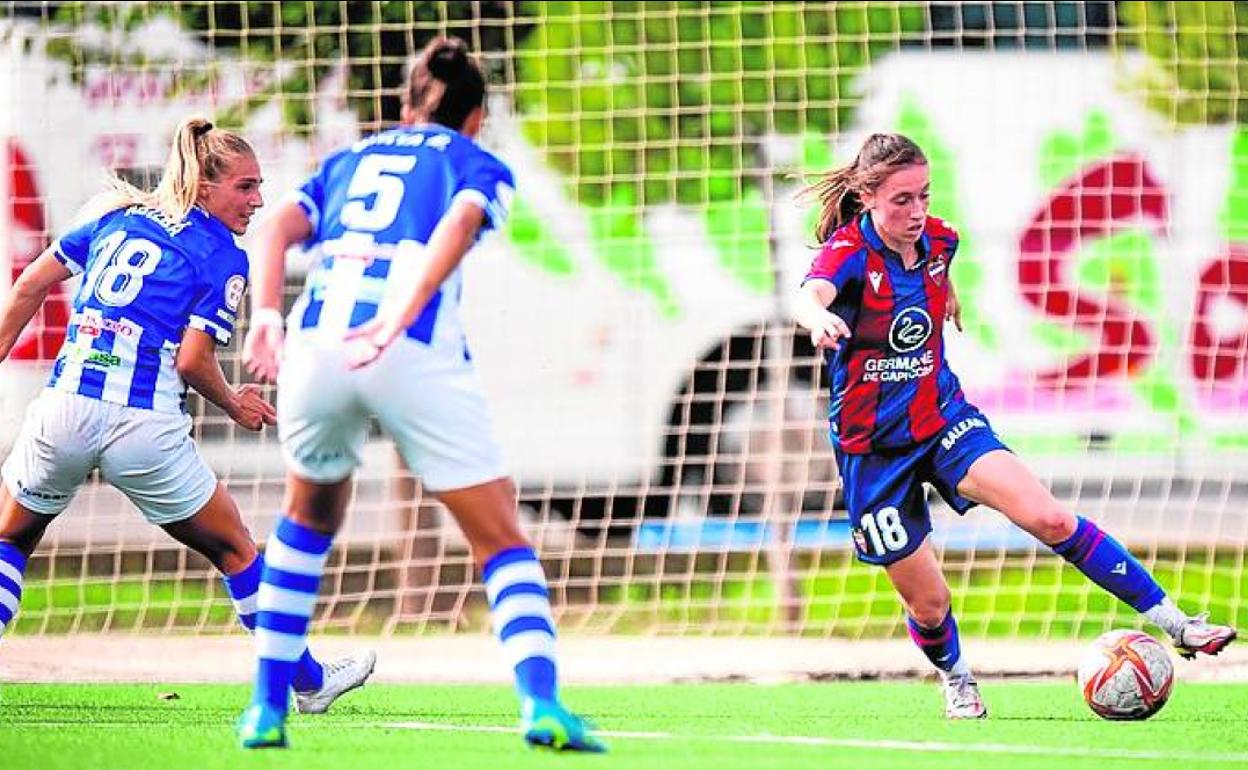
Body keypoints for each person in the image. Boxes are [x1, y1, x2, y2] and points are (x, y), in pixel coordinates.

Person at [236, 37, 604, 752]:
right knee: (499, 536)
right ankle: (543, 705)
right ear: (477, 117)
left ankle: (265, 709)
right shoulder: (475, 161)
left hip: (316, 347)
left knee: (305, 522)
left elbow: (277, 226)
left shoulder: (349, 161)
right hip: (407, 346)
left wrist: (268, 316)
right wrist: (402, 315)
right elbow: (461, 223)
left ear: (404, 104)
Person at [792, 132, 1238, 719]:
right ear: (868, 196)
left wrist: (944, 295)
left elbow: (930, 271)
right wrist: (818, 318)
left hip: (942, 419)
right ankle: (957, 676)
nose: (917, 212)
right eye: (902, 200)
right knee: (929, 604)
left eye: (924, 196)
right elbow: (810, 293)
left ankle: (1176, 624)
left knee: (1047, 514)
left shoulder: (939, 241)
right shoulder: (848, 254)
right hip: (871, 450)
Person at [0, 117, 375, 714]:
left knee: (12, 538)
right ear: (204, 185)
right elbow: (194, 360)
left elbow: (27, 287)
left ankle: (308, 680)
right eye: (246, 188)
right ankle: (307, 682)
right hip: (143, 430)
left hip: (64, 409)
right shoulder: (223, 257)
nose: (258, 200)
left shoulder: (112, 218)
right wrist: (233, 400)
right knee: (236, 552)